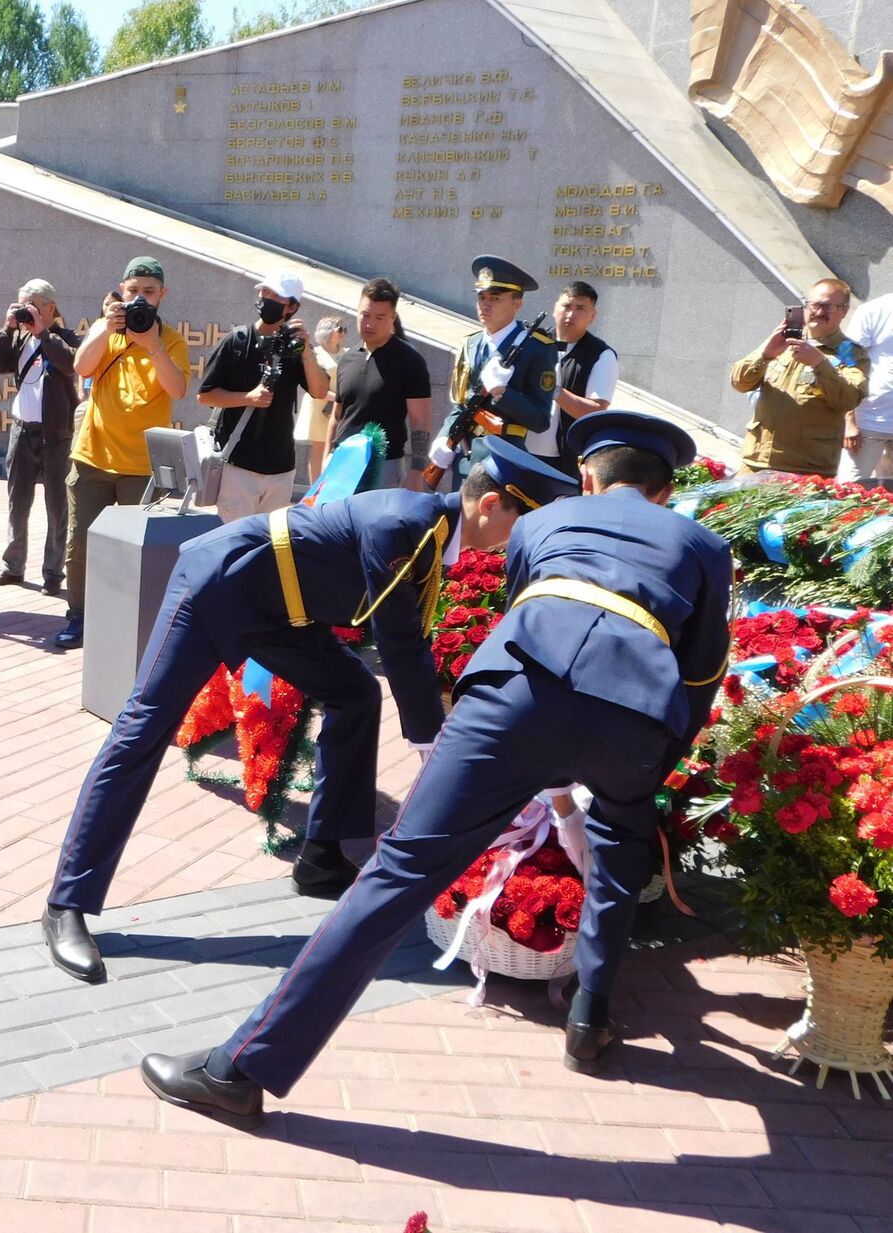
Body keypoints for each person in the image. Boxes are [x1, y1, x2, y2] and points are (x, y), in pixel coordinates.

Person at [137, 410, 732, 1119]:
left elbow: (526, 615)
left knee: (399, 872)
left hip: (516, 697)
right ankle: (588, 1017)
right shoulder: (704, 546)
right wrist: (642, 767)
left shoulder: (545, 523)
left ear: (586, 478)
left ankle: (241, 1070)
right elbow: (697, 678)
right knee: (619, 844)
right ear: (665, 491)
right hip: (634, 715)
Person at [40, 439, 580, 983]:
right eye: (523, 526)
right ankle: (68, 903)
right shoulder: (406, 526)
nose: (518, 545)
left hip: (284, 613)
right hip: (221, 586)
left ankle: (322, 857)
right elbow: (402, 646)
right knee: (141, 731)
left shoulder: (433, 533)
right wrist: (434, 751)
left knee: (355, 693)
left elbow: (407, 641)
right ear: (489, 506)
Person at [58, 257, 190, 649]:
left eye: (149, 292)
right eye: (133, 291)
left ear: (162, 295)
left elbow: (178, 390)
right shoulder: (105, 328)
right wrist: (104, 327)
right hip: (92, 459)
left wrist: (153, 347)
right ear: (122, 289)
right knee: (80, 545)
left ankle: (129, 625)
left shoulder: (171, 339)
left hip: (141, 468)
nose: (140, 300)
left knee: (137, 552)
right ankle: (78, 616)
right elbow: (80, 365)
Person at [199, 273, 331, 523]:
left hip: (281, 468)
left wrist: (306, 352)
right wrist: (247, 397)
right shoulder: (237, 341)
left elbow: (320, 391)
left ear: (292, 307)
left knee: (270, 547)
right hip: (238, 465)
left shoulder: (296, 348)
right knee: (234, 542)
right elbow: (205, 395)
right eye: (265, 292)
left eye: (276, 295)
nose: (267, 299)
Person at [0, 278, 80, 594]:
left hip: (56, 435)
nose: (28, 313)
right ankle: (13, 566)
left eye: (33, 306)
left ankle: (53, 573)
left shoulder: (66, 338)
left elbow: (70, 364)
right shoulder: (19, 339)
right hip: (21, 431)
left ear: (50, 307)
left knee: (57, 506)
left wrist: (42, 332)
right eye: (23, 305)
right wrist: (7, 328)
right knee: (17, 502)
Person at [431, 256, 557, 487]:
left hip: (504, 459)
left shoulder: (537, 348)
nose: (485, 305)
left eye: (495, 298)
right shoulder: (471, 344)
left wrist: (502, 393)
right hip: (466, 458)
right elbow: (461, 405)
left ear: (517, 304)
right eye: (481, 297)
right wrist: (444, 436)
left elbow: (540, 420)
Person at [732, 278, 867, 477]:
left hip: (806, 468)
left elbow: (849, 399)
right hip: (756, 461)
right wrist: (766, 354)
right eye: (815, 305)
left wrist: (819, 364)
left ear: (844, 311)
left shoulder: (850, 353)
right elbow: (739, 382)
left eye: (828, 307)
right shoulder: (783, 341)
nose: (819, 312)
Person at [330, 278, 432, 490]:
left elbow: (420, 421)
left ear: (392, 318)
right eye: (365, 315)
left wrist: (416, 472)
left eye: (379, 317)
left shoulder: (409, 361)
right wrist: (327, 457)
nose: (369, 323)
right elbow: (337, 415)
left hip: (385, 467)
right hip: (341, 465)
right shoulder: (347, 359)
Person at [533, 280, 618, 476]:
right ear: (555, 308)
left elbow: (595, 411)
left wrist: (552, 389)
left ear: (592, 316)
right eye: (567, 306)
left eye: (580, 308)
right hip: (518, 449)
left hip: (562, 461)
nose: (571, 314)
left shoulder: (601, 355)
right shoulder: (532, 343)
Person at [840, 288, 893, 483]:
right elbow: (845, 363)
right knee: (849, 493)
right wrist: (849, 422)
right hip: (868, 425)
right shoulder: (873, 310)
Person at [293, 315, 343, 487]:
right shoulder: (317, 353)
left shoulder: (345, 352)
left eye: (345, 329)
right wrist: (335, 397)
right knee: (320, 447)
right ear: (328, 332)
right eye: (339, 329)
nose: (343, 333)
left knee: (334, 448)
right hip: (320, 404)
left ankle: (327, 487)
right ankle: (315, 488)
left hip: (337, 406)